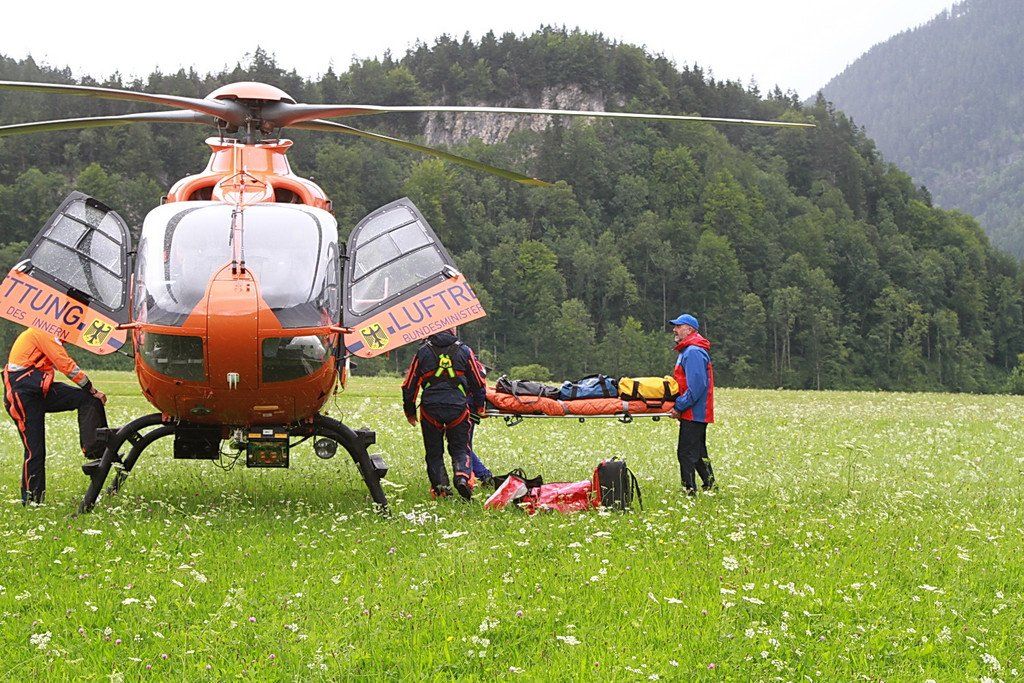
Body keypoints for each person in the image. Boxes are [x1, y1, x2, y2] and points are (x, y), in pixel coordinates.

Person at [3, 327, 109, 504]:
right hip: (22, 394)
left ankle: (96, 451)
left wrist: (91, 393)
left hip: (40, 389)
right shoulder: (43, 332)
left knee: (89, 400)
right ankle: (32, 500)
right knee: (35, 450)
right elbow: (65, 364)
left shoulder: (49, 333)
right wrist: (91, 388)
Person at [401, 328, 486, 500]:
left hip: (430, 408)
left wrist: (410, 411)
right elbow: (478, 381)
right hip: (458, 407)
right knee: (460, 448)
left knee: (434, 452)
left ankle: (442, 490)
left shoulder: (423, 352)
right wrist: (479, 405)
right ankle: (462, 477)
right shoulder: (464, 350)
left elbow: (409, 385)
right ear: (452, 330)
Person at [668, 313, 716, 495]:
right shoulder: (689, 350)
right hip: (696, 411)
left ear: (689, 329)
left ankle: (689, 490)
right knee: (698, 452)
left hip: (694, 412)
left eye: (678, 326)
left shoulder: (693, 352)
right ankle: (710, 485)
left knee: (686, 452)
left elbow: (697, 386)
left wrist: (679, 406)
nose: (675, 329)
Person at [466, 355, 494, 487]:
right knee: (463, 445)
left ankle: (483, 475)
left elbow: (479, 386)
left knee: (462, 446)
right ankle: (480, 475)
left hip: (466, 408)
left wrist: (479, 407)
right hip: (468, 407)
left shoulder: (463, 357)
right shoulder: (467, 357)